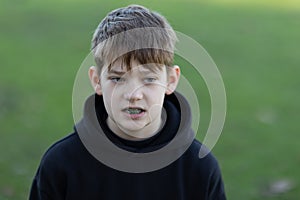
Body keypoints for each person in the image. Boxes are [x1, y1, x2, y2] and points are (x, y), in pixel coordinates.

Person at [29, 4, 226, 200]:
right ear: (97, 81)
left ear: (171, 81)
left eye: (149, 79)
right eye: (117, 78)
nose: (133, 94)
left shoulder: (200, 168)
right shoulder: (61, 165)